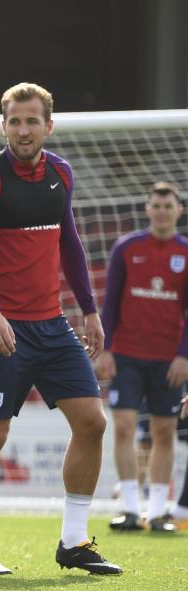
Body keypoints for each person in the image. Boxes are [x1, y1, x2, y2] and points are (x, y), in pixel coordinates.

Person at [0, 82, 122, 576]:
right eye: (14, 121)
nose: (23, 130)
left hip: (52, 325)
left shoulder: (61, 174)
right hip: (2, 329)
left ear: (49, 125)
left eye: (32, 121)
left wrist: (90, 310)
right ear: (3, 125)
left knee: (93, 422)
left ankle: (74, 541)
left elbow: (68, 243)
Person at [97, 182, 186, 534]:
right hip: (127, 356)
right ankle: (132, 510)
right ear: (147, 209)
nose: (162, 210)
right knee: (123, 427)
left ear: (178, 210)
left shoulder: (186, 252)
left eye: (168, 205)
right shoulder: (127, 248)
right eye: (156, 205)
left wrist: (185, 355)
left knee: (164, 432)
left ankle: (159, 512)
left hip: (170, 361)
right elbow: (111, 301)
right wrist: (105, 349)